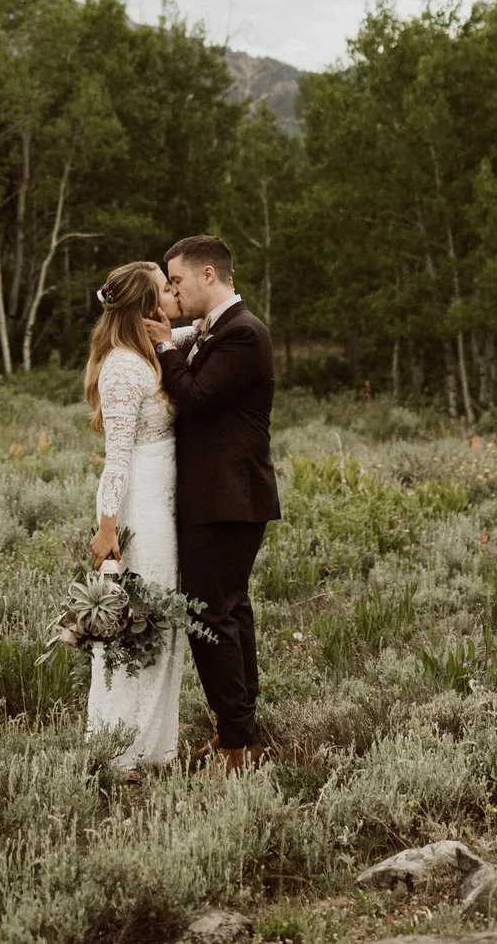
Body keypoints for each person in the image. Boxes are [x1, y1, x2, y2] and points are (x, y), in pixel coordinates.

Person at [143, 233, 279, 770]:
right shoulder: (218, 330)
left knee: (209, 614)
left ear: (207, 275)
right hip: (223, 496)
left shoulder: (244, 334)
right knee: (230, 610)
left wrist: (163, 347)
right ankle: (241, 732)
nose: (172, 289)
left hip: (227, 497)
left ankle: (238, 743)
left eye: (176, 280)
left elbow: (195, 396)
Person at [81, 260, 182, 777]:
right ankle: (123, 751)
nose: (174, 296)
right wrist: (107, 527)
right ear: (147, 308)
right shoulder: (123, 367)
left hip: (164, 505)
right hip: (141, 507)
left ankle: (157, 746)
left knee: (164, 624)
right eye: (166, 290)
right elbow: (116, 457)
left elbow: (193, 327)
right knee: (141, 625)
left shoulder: (147, 353)